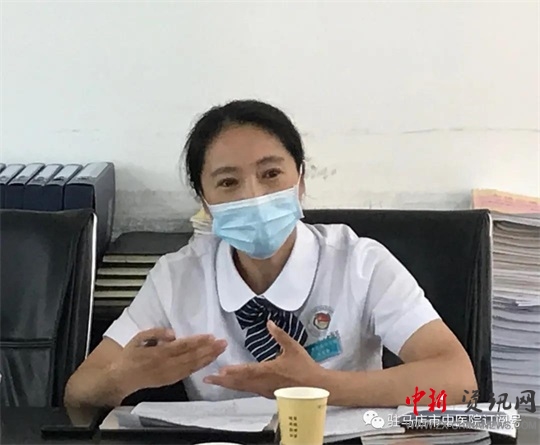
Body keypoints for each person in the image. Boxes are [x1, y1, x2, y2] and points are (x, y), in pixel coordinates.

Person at [64, 99, 477, 408]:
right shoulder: (177, 277)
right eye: (228, 183)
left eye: (271, 174)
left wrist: (321, 386)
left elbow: (459, 382)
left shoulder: (361, 263)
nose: (254, 196)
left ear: (300, 181)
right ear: (205, 202)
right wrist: (123, 379)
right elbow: (78, 393)